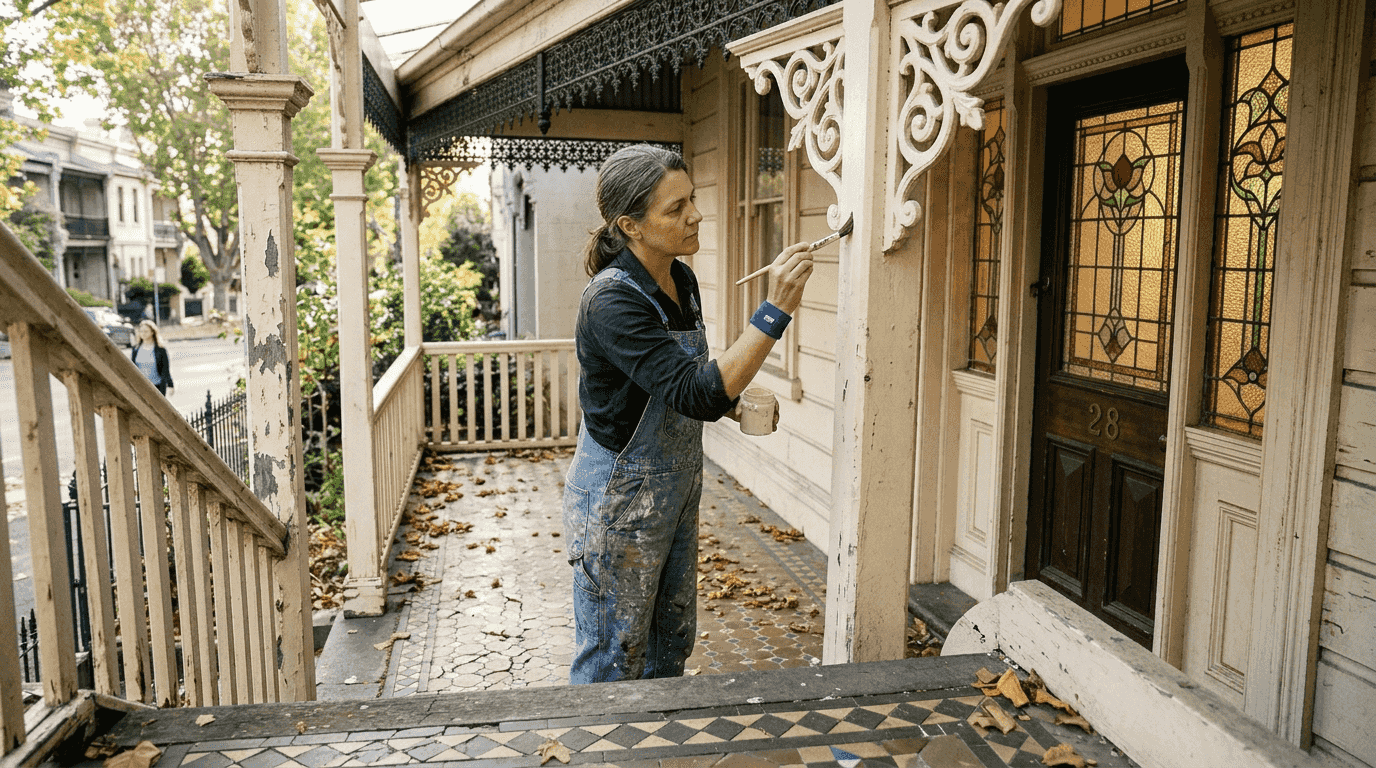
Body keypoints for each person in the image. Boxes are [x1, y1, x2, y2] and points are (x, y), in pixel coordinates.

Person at [564, 144, 814, 684]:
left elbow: (685, 387)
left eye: (692, 200)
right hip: (619, 500)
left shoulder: (683, 280)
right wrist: (776, 310)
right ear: (631, 226)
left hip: (676, 489)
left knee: (670, 645)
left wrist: (733, 404)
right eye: (675, 209)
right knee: (614, 657)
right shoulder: (611, 301)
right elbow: (693, 391)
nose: (695, 215)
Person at [131, 320, 175, 396]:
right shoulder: (136, 349)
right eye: (141, 331)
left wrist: (170, 385)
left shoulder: (160, 350)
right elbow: (132, 368)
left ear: (152, 332)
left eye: (146, 331)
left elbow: (165, 369)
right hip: (141, 387)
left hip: (157, 387)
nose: (143, 333)